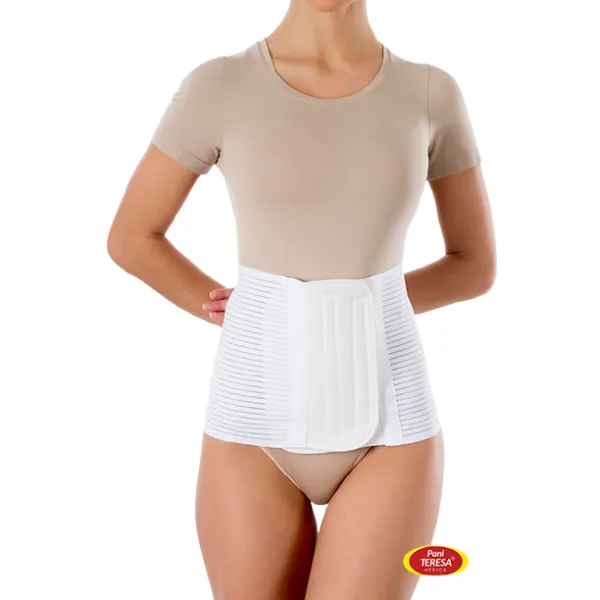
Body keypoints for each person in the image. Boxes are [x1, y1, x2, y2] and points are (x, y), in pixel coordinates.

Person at [107, 0, 496, 597]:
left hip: (391, 426)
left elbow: (473, 265)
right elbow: (133, 238)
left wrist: (372, 307)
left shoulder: (429, 93)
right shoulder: (219, 86)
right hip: (252, 421)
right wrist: (224, 304)